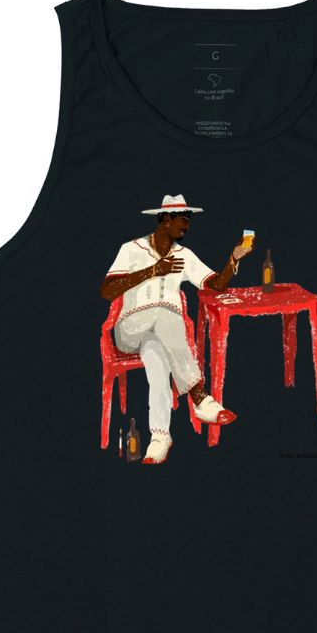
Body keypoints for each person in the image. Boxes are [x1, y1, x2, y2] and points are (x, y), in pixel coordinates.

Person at [100, 194, 254, 464]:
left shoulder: (185, 256)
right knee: (164, 313)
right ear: (166, 220)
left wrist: (234, 258)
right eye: (183, 220)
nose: (187, 226)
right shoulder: (132, 249)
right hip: (128, 331)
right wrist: (152, 271)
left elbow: (215, 285)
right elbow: (106, 291)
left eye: (189, 220)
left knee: (157, 357)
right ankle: (199, 396)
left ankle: (159, 437)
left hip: (160, 335)